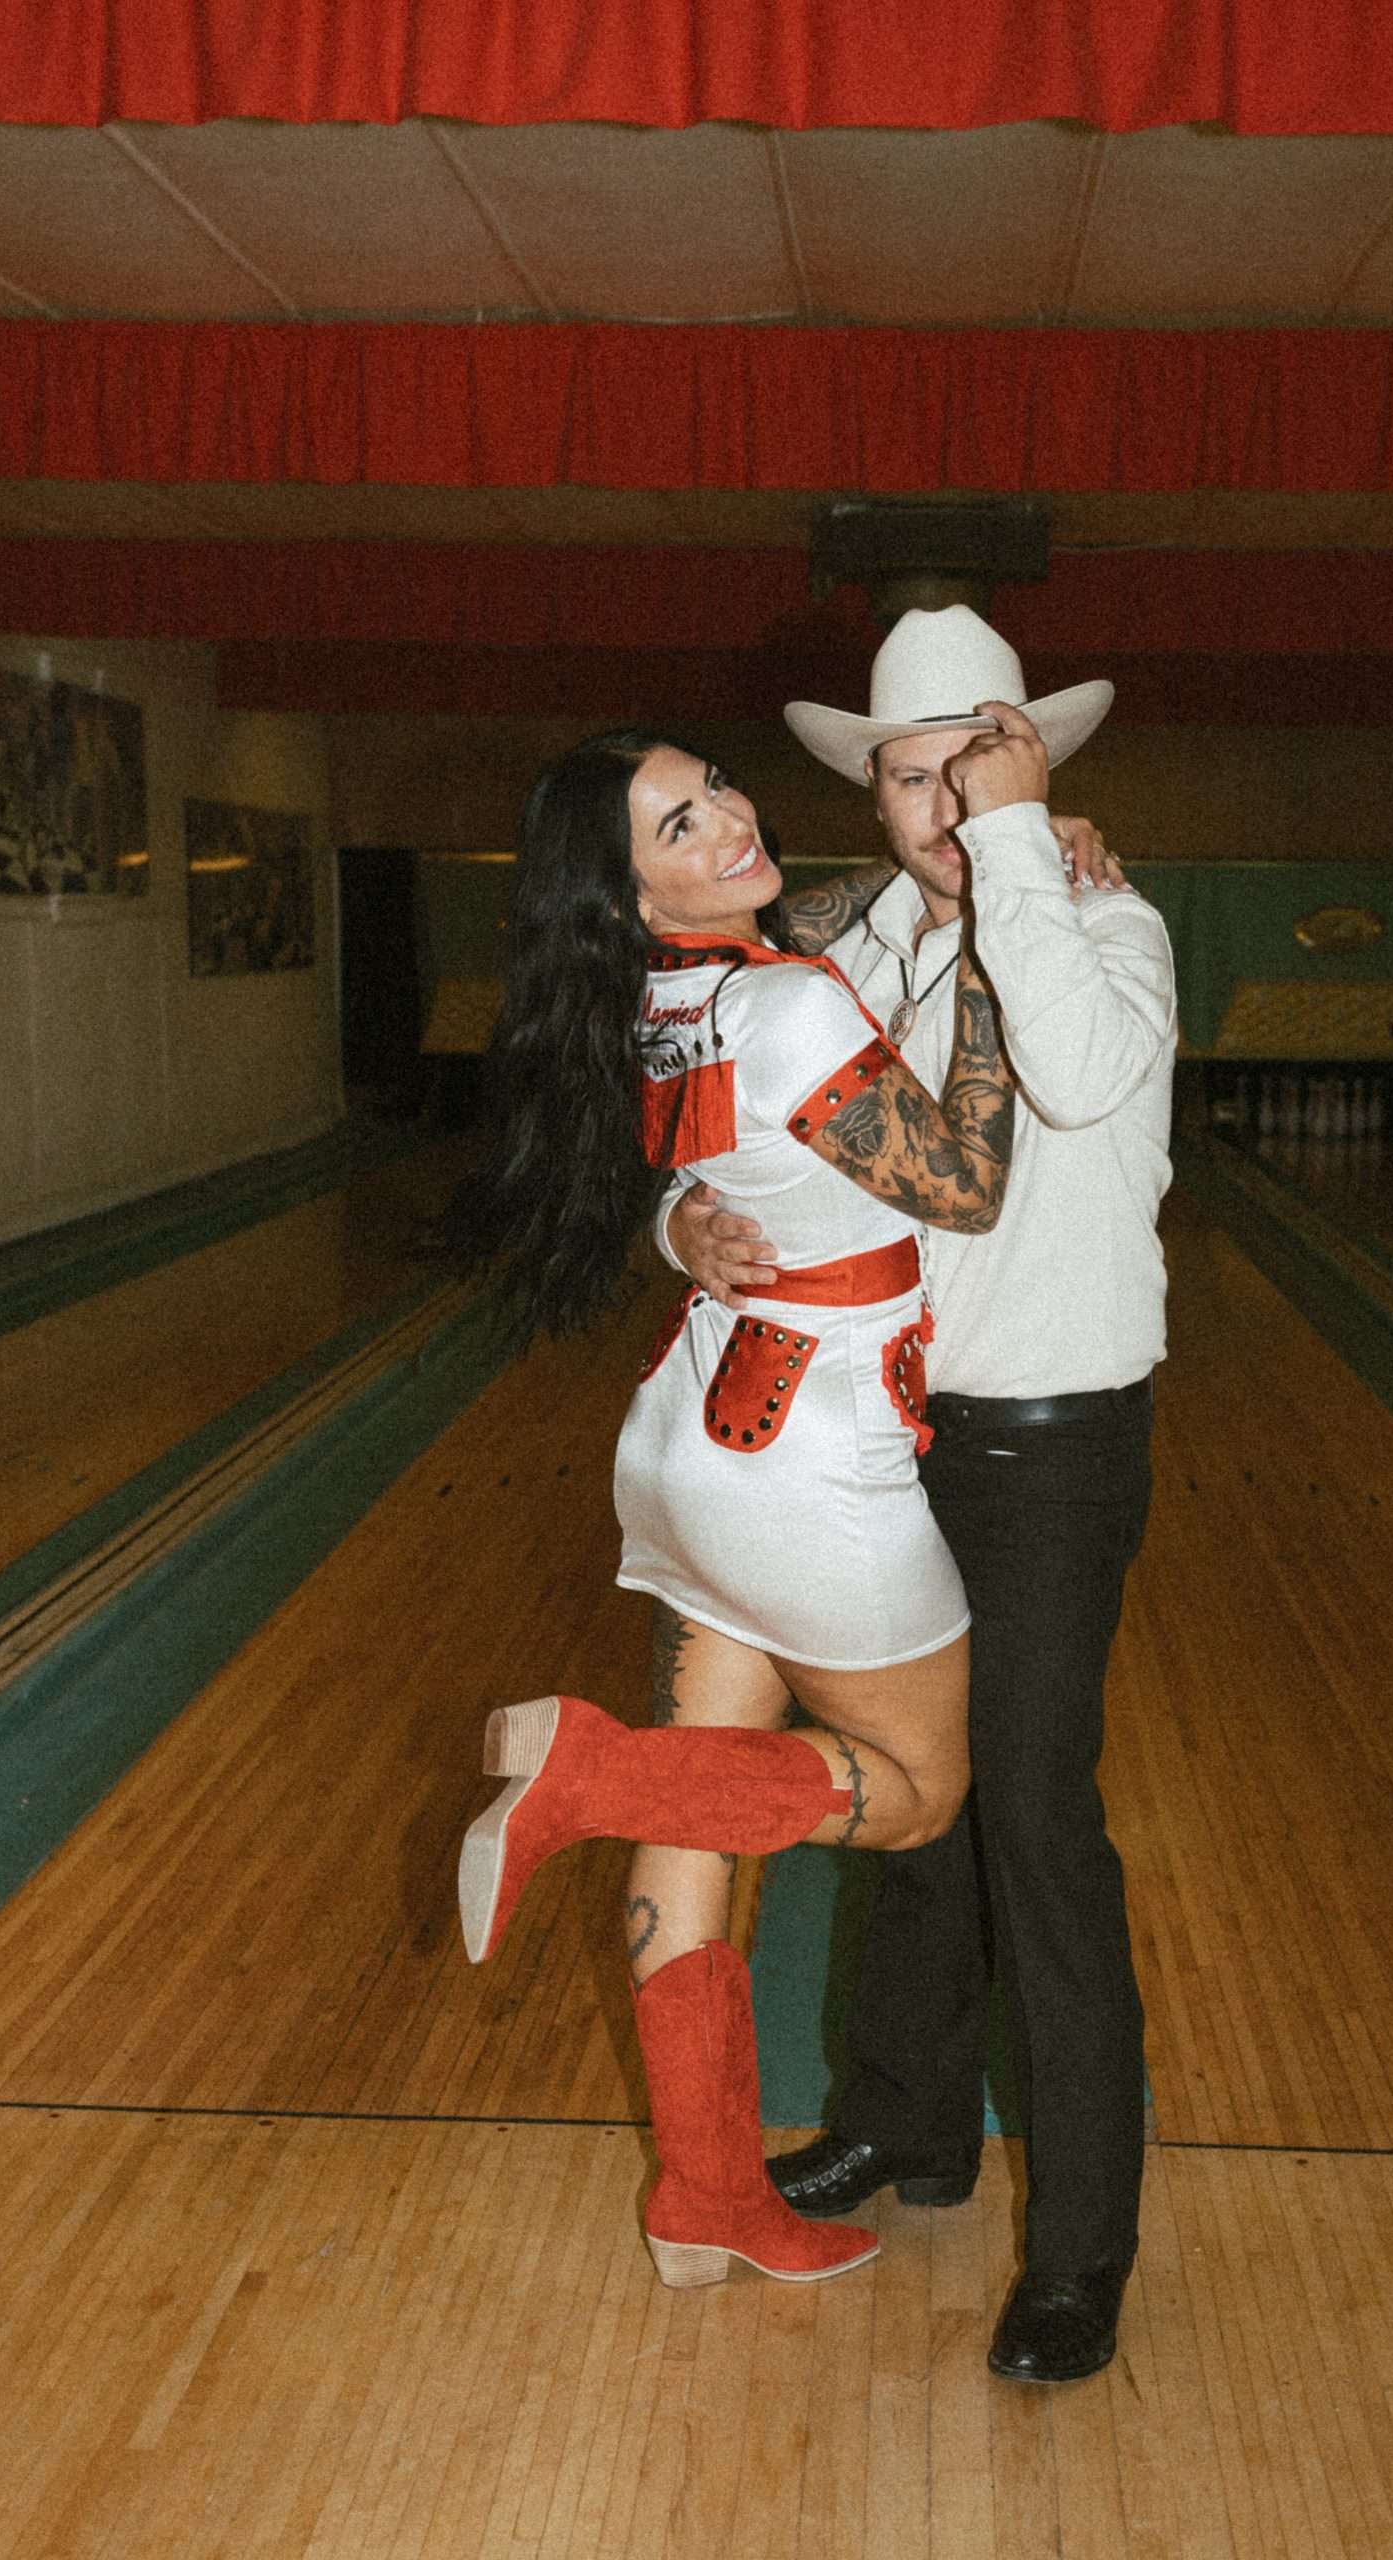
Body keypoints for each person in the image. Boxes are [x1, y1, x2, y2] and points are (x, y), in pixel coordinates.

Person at [443, 711, 1062, 2294]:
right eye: (679, 826)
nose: (728, 818)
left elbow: (703, 1168)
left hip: (696, 1441)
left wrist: (677, 1234)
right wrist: (993, 958)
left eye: (713, 785)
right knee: (915, 1796)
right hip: (809, 1460)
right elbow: (963, 1180)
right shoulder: (781, 1004)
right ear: (635, 895)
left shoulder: (654, 1004)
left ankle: (708, 2192)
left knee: (698, 1822)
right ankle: (584, 1772)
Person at [666, 604, 1177, 2383]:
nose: (946, 799)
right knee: (908, 1805)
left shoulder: (1109, 925)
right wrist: (685, 1221)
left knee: (1033, 1819)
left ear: (1035, 765)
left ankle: (1084, 2247)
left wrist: (1022, 849)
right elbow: (739, 1125)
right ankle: (908, 2120)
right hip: (876, 1434)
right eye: (912, 774)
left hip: (1048, 1447)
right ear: (870, 796)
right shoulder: (843, 945)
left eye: (982, 760)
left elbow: (1077, 1074)